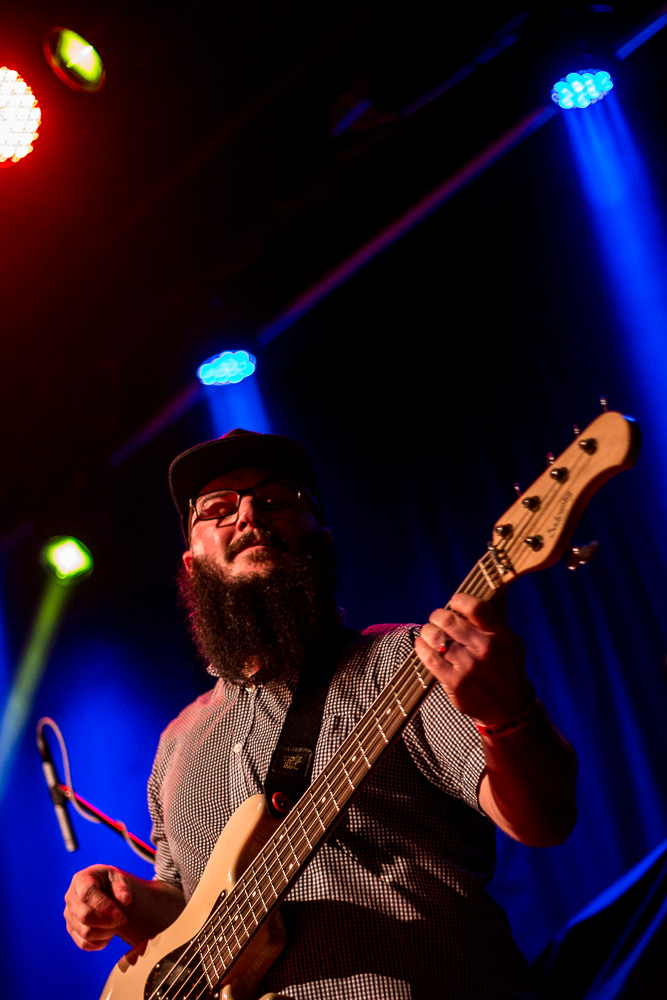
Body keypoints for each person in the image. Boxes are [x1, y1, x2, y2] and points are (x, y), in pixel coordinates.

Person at [64, 428, 577, 999]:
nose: (249, 515)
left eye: (277, 499)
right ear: (191, 563)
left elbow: (546, 818)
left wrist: (510, 715)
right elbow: (188, 920)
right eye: (218, 508)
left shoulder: (403, 662)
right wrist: (124, 901)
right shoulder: (178, 742)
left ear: (321, 538)